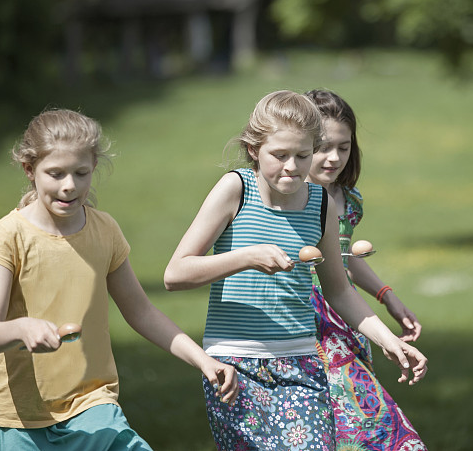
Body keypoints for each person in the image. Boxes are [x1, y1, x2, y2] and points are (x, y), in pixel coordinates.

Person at [164, 90, 428, 450]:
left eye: (303, 156)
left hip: (302, 363)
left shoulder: (321, 204)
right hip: (234, 364)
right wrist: (246, 256)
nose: (291, 166)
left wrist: (389, 341)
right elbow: (175, 274)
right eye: (280, 155)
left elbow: (339, 290)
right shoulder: (235, 189)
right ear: (254, 149)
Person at [0, 109, 238, 451]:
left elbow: (141, 312)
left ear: (93, 168)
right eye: (55, 174)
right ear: (30, 170)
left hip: (93, 405)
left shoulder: (104, 230)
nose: (69, 185)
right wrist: (22, 328)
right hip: (20, 420)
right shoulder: (6, 237)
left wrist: (203, 360)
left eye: (80, 173)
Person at [303, 88, 426, 449]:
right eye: (323, 146)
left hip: (347, 319)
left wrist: (387, 296)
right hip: (306, 325)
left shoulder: (348, 199)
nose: (334, 157)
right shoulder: (291, 199)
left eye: (344, 147)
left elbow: (342, 257)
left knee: (355, 426)